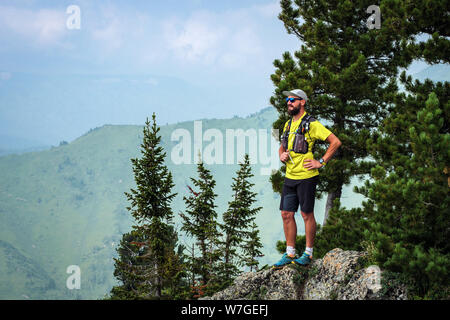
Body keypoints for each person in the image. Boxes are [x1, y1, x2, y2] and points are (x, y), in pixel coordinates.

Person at [272, 89, 341, 268]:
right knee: (286, 214)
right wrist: (281, 155)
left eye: (292, 100)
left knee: (306, 214)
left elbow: (335, 141)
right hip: (290, 177)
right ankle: (290, 253)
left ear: (302, 102)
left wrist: (321, 162)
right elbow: (282, 147)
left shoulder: (312, 124)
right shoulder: (288, 124)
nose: (288, 103)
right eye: (287, 100)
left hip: (307, 177)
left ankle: (308, 254)